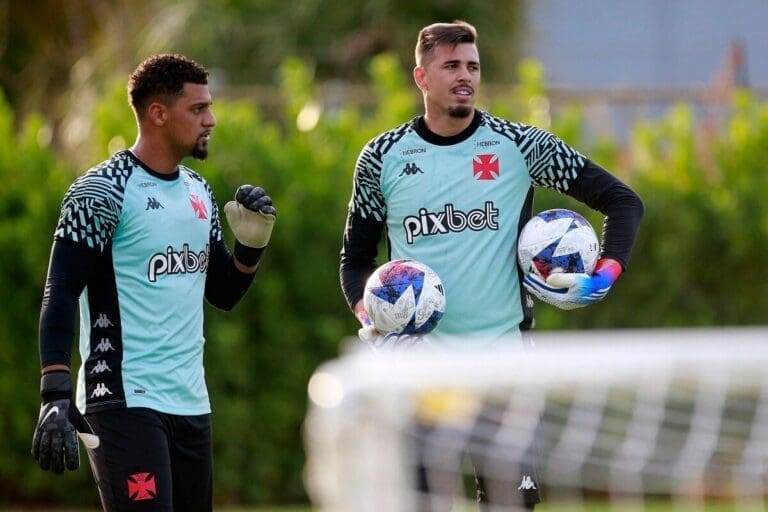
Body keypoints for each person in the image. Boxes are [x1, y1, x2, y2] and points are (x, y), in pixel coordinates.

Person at [339, 20, 644, 510]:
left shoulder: (520, 147)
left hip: (505, 369)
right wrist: (371, 316)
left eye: (473, 66)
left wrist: (605, 274)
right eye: (452, 65)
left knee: (513, 504)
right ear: (421, 78)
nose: (466, 76)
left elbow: (622, 201)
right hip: (421, 374)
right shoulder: (382, 158)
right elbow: (355, 260)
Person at [30, 54, 276, 511]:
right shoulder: (101, 191)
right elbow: (60, 291)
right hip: (122, 397)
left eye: (210, 107)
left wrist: (251, 248)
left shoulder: (198, 191)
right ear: (158, 113)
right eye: (198, 109)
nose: (212, 120)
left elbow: (222, 293)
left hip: (190, 400)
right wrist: (55, 394)